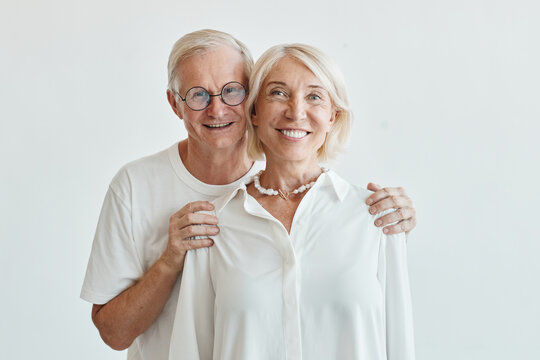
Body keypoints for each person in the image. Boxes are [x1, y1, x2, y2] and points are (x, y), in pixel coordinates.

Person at [80, 30, 417, 360]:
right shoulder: (177, 206)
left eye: (231, 91)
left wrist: (397, 222)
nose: (217, 110)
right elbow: (117, 333)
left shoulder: (366, 214)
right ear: (175, 103)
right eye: (198, 95)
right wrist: (170, 260)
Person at [169, 43, 415, 360]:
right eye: (278, 93)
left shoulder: (377, 217)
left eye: (314, 96)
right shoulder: (214, 224)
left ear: (333, 117)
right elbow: (190, 348)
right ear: (253, 111)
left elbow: (399, 342)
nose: (296, 111)